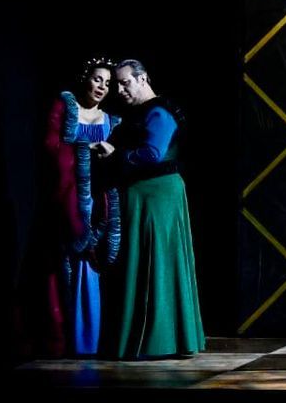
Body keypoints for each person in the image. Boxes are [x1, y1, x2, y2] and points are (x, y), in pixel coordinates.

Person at [95, 59, 205, 358]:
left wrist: (116, 154)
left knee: (158, 263)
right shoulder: (139, 113)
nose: (120, 90)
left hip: (158, 196)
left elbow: (153, 153)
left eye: (125, 83)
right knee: (145, 262)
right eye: (118, 85)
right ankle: (149, 339)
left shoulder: (159, 111)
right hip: (145, 195)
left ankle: (159, 340)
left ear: (142, 79)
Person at [18, 58, 123, 357]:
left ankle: (89, 340)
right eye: (97, 79)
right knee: (57, 268)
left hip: (98, 204)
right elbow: (51, 147)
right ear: (85, 78)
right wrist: (84, 149)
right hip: (65, 202)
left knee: (91, 267)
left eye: (108, 83)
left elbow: (118, 163)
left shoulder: (111, 121)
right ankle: (58, 338)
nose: (102, 86)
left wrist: (111, 153)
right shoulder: (65, 108)